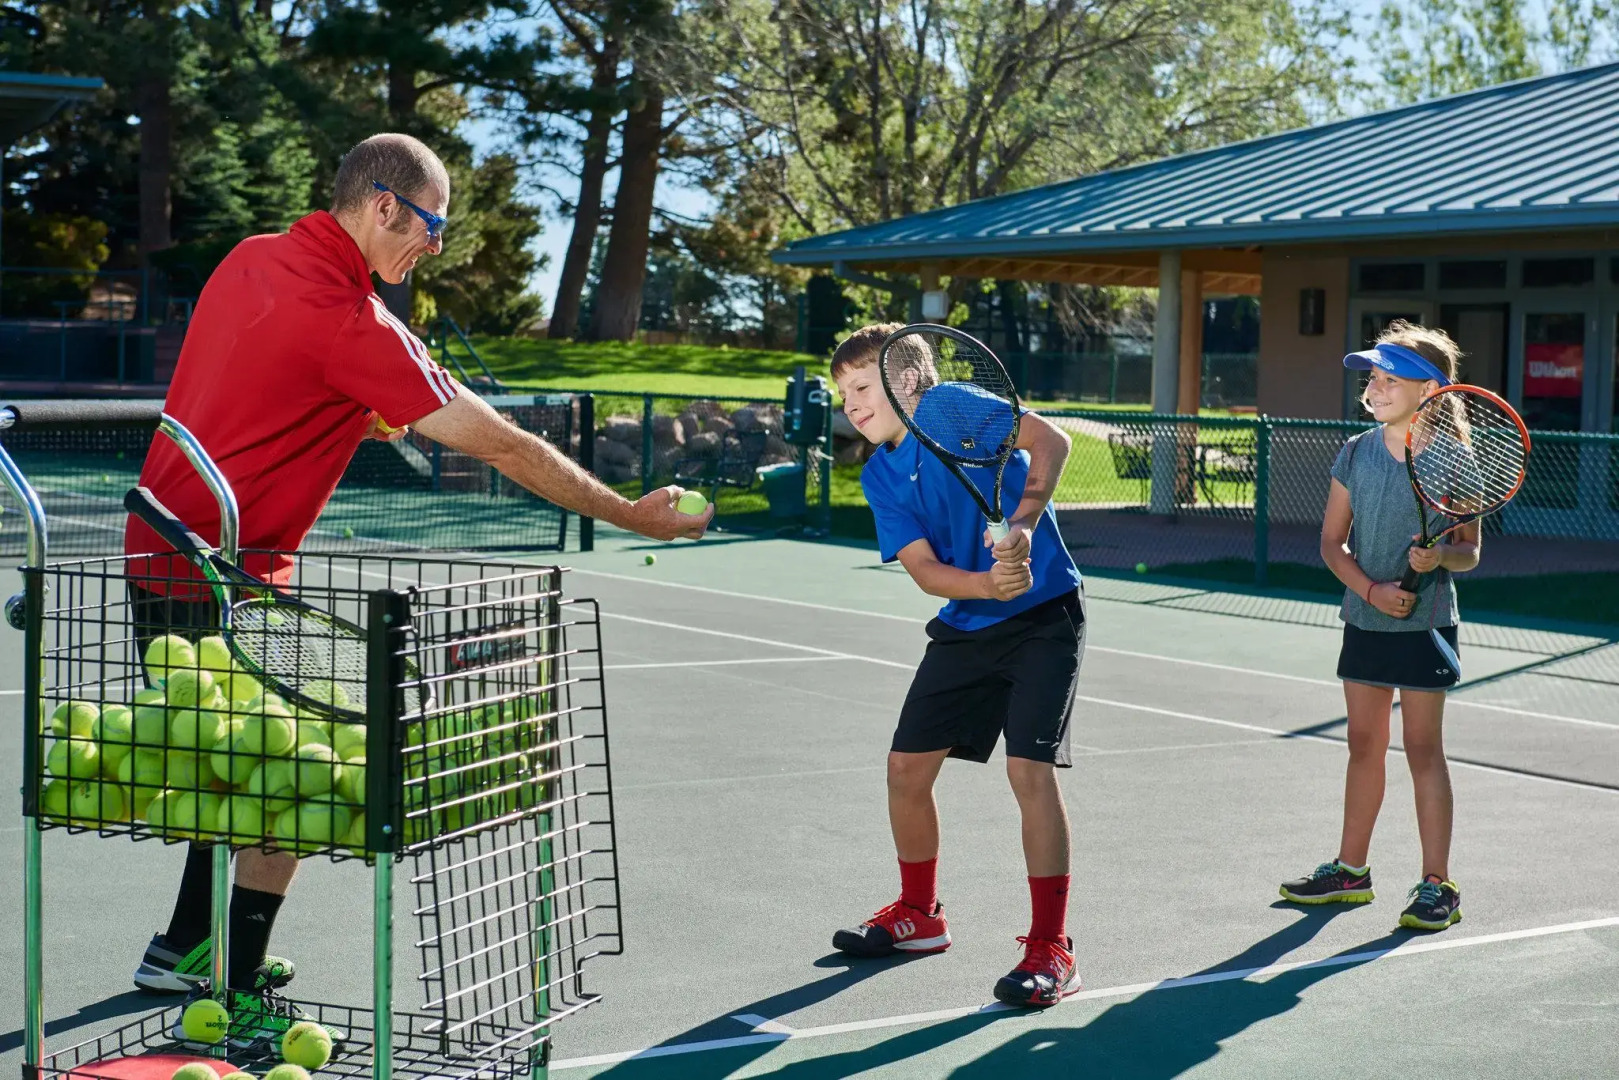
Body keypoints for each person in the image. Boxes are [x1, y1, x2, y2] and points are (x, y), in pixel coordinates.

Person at [124, 133, 711, 1042]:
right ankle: (232, 986)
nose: (436, 247)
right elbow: (505, 446)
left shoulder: (251, 260)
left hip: (160, 551)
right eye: (433, 226)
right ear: (386, 205)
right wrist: (631, 515)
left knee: (229, 764)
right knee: (295, 777)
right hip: (223, 568)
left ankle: (186, 946)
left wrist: (344, 413)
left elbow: (274, 385)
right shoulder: (352, 323)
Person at [826, 323, 1086, 1008]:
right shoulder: (879, 471)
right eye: (842, 393)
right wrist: (983, 586)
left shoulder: (950, 408)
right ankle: (920, 916)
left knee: (1028, 772)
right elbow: (922, 569)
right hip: (968, 626)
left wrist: (1024, 525)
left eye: (861, 386)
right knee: (905, 770)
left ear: (906, 381)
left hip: (1044, 620)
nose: (850, 403)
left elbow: (1050, 443)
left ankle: (1050, 948)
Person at [1279, 321, 1473, 932]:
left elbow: (1468, 550)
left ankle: (1437, 885)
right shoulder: (1355, 452)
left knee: (1423, 751)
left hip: (1427, 624)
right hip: (1365, 620)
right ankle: (1351, 871)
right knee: (1363, 747)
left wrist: (1437, 558)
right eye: (1374, 377)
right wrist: (1371, 589)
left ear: (1429, 391)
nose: (1376, 386)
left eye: (1392, 378)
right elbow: (1332, 544)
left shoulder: (1458, 460)